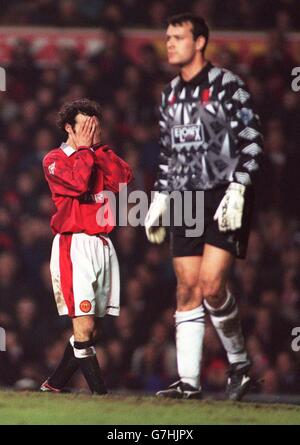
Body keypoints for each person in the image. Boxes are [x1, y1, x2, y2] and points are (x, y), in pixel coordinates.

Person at [145, 13, 263, 400]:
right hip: (186, 197)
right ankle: (189, 383)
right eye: (167, 37)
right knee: (186, 288)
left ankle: (240, 365)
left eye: (178, 37)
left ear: (200, 42)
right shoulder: (169, 94)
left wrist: (239, 188)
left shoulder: (228, 85)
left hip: (223, 195)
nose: (170, 43)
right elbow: (167, 154)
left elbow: (251, 139)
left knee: (212, 285)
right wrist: (161, 195)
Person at [41, 98, 133, 394]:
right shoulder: (54, 159)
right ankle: (101, 395)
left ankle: (53, 385)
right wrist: (84, 150)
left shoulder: (98, 153)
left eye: (96, 124)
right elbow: (79, 184)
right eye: (85, 125)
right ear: (69, 127)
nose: (92, 129)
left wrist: (97, 148)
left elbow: (123, 180)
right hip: (74, 244)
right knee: (82, 327)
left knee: (92, 331)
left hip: (103, 245)